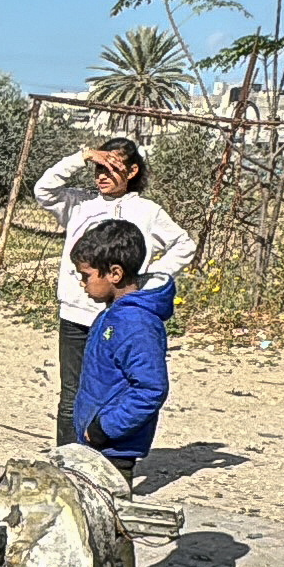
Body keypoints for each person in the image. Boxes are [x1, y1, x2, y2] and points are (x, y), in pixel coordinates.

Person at [30, 135, 196, 448]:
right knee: (71, 395)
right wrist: (83, 155)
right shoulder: (79, 204)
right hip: (76, 314)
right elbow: (43, 189)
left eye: (112, 167)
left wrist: (148, 276)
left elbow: (184, 244)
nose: (103, 175)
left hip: (117, 316)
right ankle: (67, 462)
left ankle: (106, 456)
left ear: (132, 172)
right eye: (98, 168)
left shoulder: (147, 212)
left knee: (110, 389)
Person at [66, 218, 171, 477]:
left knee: (111, 514)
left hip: (114, 451)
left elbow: (150, 389)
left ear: (115, 273)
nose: (82, 283)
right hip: (96, 445)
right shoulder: (111, 314)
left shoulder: (136, 324)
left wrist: (105, 428)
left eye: (86, 276)